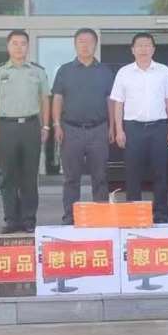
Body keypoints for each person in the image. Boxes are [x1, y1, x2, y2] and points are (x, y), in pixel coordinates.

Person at [111, 32, 168, 223]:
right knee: (133, 173)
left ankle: (161, 215)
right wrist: (119, 130)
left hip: (159, 127)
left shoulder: (163, 71)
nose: (143, 49)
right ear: (132, 50)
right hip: (132, 129)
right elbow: (118, 103)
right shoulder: (124, 72)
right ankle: (134, 216)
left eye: (147, 45)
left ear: (153, 49)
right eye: (139, 45)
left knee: (161, 173)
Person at [0, 30, 50, 233]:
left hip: (31, 126)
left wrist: (45, 125)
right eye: (15, 43)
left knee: (29, 176)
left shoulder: (38, 71)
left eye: (23, 43)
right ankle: (11, 220)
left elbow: (45, 99)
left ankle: (29, 219)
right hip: (6, 127)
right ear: (8, 46)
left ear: (28, 47)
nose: (19, 47)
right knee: (8, 176)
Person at [51, 28, 115, 225]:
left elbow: (110, 100)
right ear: (75, 44)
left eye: (89, 42)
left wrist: (112, 126)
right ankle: (70, 218)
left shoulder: (105, 71)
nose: (85, 45)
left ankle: (101, 218)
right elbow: (57, 98)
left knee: (100, 176)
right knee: (71, 178)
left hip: (99, 129)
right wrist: (56, 124)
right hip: (71, 130)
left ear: (95, 45)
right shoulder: (64, 70)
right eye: (81, 41)